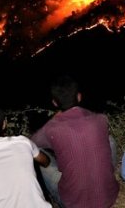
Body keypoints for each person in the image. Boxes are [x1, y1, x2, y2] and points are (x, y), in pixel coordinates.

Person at [31, 75, 119, 208]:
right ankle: (105, 176)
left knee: (40, 154)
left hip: (74, 203)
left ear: (54, 103)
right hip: (109, 197)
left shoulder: (51, 128)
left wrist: (54, 119)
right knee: (109, 139)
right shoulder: (101, 119)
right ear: (79, 96)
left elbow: (31, 143)